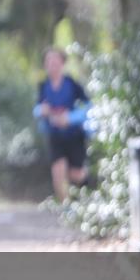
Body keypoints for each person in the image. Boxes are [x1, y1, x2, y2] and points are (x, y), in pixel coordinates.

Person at [34, 46, 91, 201]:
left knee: (76, 174)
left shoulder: (72, 84)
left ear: (62, 62)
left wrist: (70, 118)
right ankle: (65, 207)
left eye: (55, 59)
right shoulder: (43, 86)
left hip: (74, 135)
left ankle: (87, 185)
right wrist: (42, 110)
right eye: (49, 60)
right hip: (54, 135)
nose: (52, 63)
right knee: (58, 171)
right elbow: (37, 109)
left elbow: (88, 106)